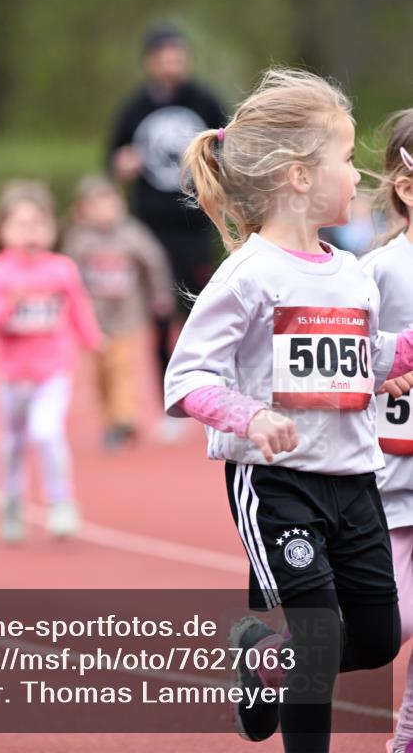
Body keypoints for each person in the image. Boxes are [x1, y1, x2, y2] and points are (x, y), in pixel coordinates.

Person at [163, 69, 413, 753]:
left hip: (353, 477)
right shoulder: (249, 273)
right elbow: (185, 378)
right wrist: (248, 417)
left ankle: (264, 658)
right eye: (343, 158)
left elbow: (365, 351)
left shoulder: (350, 270)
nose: (357, 174)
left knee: (376, 638)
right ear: (299, 176)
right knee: (319, 633)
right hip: (278, 483)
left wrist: (387, 365)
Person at [0, 181, 103, 543]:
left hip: (53, 370)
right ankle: (11, 504)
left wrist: (93, 340)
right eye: (21, 225)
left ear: (51, 229)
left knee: (46, 432)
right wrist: (10, 305)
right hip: (11, 375)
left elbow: (78, 309)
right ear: (2, 231)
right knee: (12, 445)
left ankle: (61, 503)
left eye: (39, 224)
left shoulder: (62, 269)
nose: (31, 232)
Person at [107, 23, 226, 424]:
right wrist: (121, 164)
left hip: (196, 222)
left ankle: (208, 388)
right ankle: (169, 398)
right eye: (165, 56)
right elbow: (112, 159)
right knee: (159, 312)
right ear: (150, 62)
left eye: (179, 55)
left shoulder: (205, 101)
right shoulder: (134, 108)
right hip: (151, 227)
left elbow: (229, 148)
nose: (172, 63)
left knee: (202, 308)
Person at [360, 110, 413, 753]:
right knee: (390, 623)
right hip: (394, 475)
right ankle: (278, 656)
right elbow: (347, 358)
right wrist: (378, 377)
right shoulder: (379, 271)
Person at [62, 174, 174, 448]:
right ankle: (109, 418)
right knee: (101, 373)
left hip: (127, 314)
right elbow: (66, 274)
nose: (105, 212)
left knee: (123, 367)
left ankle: (125, 420)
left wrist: (160, 294)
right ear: (83, 210)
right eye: (96, 206)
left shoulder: (132, 233)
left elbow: (154, 262)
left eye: (110, 204)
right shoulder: (79, 239)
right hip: (93, 318)